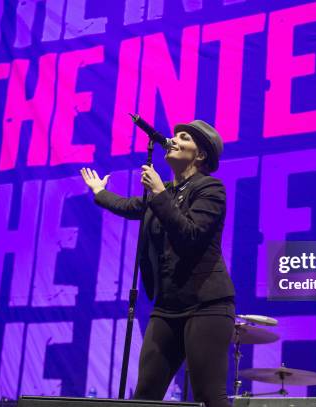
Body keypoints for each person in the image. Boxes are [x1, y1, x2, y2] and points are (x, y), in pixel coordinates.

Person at [80, 120, 235, 407]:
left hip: (206, 305)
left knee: (209, 397)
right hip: (167, 307)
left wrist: (160, 195)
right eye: (174, 135)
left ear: (199, 155)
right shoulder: (163, 192)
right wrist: (100, 193)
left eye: (184, 137)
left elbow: (190, 235)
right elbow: (131, 207)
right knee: (145, 396)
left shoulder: (211, 189)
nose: (173, 140)